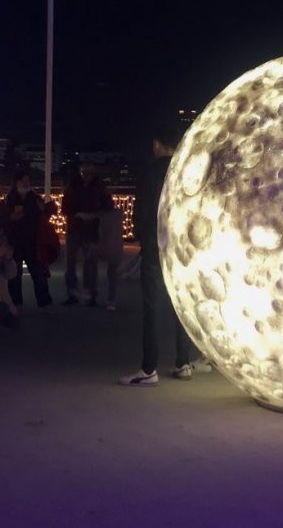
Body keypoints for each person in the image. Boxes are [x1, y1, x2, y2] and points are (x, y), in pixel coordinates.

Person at [120, 132, 202, 385]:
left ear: (157, 145)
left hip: (156, 245)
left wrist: (141, 235)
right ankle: (183, 362)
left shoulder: (151, 171)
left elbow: (143, 209)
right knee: (181, 304)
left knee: (152, 306)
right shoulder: (187, 169)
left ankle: (149, 369)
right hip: (183, 247)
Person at [61, 162, 114, 306]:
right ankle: (74, 293)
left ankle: (90, 294)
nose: (87, 176)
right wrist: (78, 214)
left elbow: (108, 206)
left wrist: (93, 215)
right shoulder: (73, 187)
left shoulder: (99, 187)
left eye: (89, 173)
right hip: (76, 227)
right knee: (71, 262)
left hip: (91, 229)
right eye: (84, 173)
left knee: (90, 263)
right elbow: (65, 207)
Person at [2, 171, 53, 312]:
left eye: (27, 181)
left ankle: (45, 303)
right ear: (16, 183)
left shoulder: (35, 199)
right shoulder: (9, 200)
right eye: (22, 181)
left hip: (33, 241)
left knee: (38, 273)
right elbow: (4, 219)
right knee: (15, 274)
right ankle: (16, 303)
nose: (25, 184)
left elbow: (43, 216)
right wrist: (13, 217)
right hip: (15, 241)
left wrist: (45, 210)